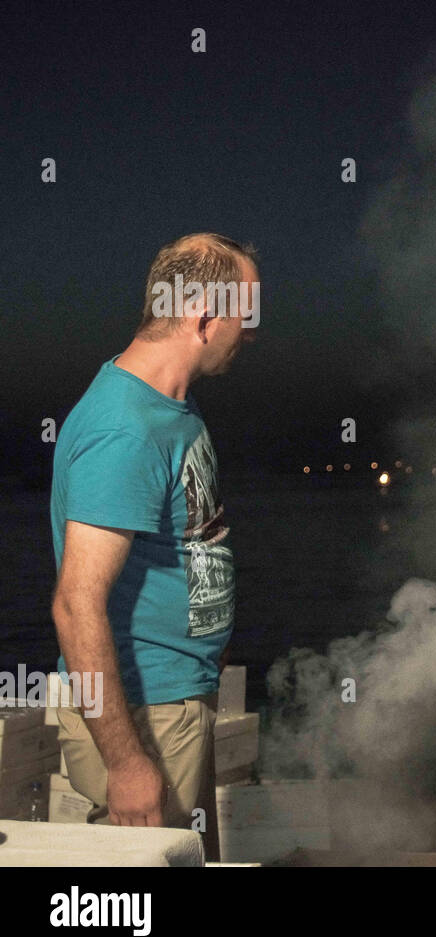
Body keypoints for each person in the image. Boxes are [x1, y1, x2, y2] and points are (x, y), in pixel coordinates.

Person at [50, 233, 258, 861]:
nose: (250, 333)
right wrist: (126, 761)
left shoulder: (172, 411)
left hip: (177, 703)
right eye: (243, 316)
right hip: (145, 719)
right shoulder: (127, 427)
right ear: (202, 317)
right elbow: (74, 606)